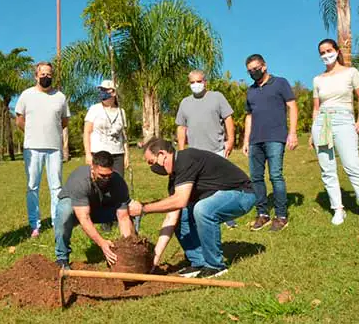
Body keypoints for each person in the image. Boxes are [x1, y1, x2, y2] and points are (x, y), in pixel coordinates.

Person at [128, 138, 256, 279]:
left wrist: (144, 209)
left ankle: (215, 266)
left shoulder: (187, 159)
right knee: (182, 215)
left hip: (242, 194)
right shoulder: (175, 177)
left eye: (151, 162)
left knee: (202, 209)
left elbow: (180, 200)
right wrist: (155, 258)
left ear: (162, 154)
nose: (153, 168)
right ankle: (199, 262)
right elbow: (172, 215)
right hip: (221, 197)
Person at [310, 39, 359, 229]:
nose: (326, 55)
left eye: (329, 51)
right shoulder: (317, 79)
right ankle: (337, 208)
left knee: (352, 165)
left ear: (337, 51)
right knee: (327, 167)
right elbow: (316, 107)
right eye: (322, 52)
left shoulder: (351, 73)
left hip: (344, 120)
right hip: (322, 123)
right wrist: (312, 132)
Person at [242, 54, 298, 232]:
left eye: (256, 69)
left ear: (264, 66)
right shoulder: (250, 91)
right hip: (255, 141)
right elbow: (249, 117)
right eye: (250, 71)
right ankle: (262, 214)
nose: (253, 73)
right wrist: (245, 140)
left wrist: (293, 133)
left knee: (275, 175)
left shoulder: (280, 83)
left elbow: (292, 106)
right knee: (256, 178)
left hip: (275, 137)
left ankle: (281, 216)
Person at [175, 69, 237, 228]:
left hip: (217, 149)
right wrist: (182, 151)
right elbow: (181, 127)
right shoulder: (185, 103)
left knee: (221, 184)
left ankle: (227, 216)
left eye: (199, 81)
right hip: (195, 153)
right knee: (199, 186)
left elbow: (228, 118)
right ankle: (200, 214)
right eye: (192, 82)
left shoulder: (217, 97)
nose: (196, 85)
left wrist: (230, 140)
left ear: (205, 82)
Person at [15, 62, 71, 237]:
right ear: (36, 76)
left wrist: (52, 134)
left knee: (56, 187)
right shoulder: (26, 95)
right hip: (32, 148)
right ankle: (35, 225)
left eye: (49, 74)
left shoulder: (60, 97)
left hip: (54, 148)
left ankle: (56, 221)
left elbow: (64, 121)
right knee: (33, 186)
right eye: (43, 74)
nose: (46, 77)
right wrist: (33, 133)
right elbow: (19, 119)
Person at [54, 151, 135, 269]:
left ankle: (132, 254)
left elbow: (123, 217)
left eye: (109, 175)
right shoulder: (80, 181)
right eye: (102, 175)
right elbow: (84, 217)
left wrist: (127, 245)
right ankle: (62, 258)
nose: (106, 179)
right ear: (93, 168)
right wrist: (102, 243)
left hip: (99, 209)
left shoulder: (118, 181)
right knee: (65, 211)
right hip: (77, 210)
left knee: (133, 209)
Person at [83, 80, 129, 175]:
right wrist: (88, 154)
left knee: (118, 184)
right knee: (100, 182)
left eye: (105, 90)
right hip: (98, 154)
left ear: (114, 92)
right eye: (101, 89)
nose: (102, 92)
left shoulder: (121, 111)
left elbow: (124, 136)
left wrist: (126, 155)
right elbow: (87, 132)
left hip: (117, 155)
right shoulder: (94, 109)